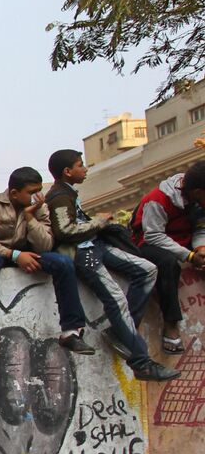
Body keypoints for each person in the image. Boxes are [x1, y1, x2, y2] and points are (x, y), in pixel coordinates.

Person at [45, 149, 178, 381]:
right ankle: (141, 363)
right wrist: (99, 221)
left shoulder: (68, 192)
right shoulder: (59, 196)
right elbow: (65, 231)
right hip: (83, 254)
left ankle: (120, 331)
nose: (85, 169)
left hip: (95, 246)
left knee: (147, 270)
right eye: (80, 165)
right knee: (116, 300)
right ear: (67, 171)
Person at [0, 167, 94, 359]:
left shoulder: (40, 207)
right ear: (14, 193)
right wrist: (15, 255)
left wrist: (30, 217)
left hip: (29, 255)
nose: (38, 196)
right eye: (32, 192)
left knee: (63, 262)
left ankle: (71, 331)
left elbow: (45, 246)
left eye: (39, 191)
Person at [129, 160, 205, 353]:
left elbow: (200, 228)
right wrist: (189, 256)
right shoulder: (158, 199)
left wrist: (201, 249)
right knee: (168, 263)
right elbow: (153, 235)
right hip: (149, 243)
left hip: (183, 241)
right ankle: (171, 326)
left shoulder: (198, 202)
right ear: (198, 192)